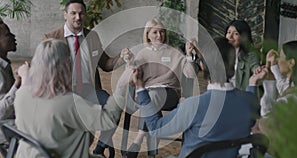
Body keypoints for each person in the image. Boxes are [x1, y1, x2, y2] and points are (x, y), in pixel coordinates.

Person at [131, 37, 260, 158]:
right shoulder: (250, 102)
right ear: (234, 65)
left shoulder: (193, 105)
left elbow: (155, 128)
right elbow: (251, 109)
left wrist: (141, 88)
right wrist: (252, 85)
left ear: (203, 66)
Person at [42, 0, 131, 157]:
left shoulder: (92, 36)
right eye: (73, 13)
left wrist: (122, 58)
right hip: (66, 94)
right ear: (65, 15)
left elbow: (106, 64)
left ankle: (99, 149)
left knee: (115, 107)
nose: (78, 17)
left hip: (91, 91)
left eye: (81, 13)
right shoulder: (51, 38)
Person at [14, 38, 125, 158]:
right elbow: (108, 119)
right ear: (66, 65)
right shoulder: (69, 102)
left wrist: (25, 76)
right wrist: (123, 83)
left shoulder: (21, 94)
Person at [123, 18, 199, 157]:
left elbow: (190, 73)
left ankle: (139, 139)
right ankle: (152, 152)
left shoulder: (174, 51)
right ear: (148, 35)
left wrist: (188, 55)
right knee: (151, 102)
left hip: (170, 94)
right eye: (155, 32)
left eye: (162, 32)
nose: (159, 36)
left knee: (150, 99)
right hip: (149, 94)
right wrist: (129, 62)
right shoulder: (143, 54)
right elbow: (131, 78)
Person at [0, 18, 21, 143]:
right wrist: (18, 83)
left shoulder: (4, 64)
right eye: (8, 34)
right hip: (6, 130)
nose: (14, 36)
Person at [225, 20, 260, 90]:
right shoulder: (222, 52)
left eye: (236, 34)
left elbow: (255, 66)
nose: (230, 36)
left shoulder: (250, 55)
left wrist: (257, 70)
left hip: (240, 95)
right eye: (229, 32)